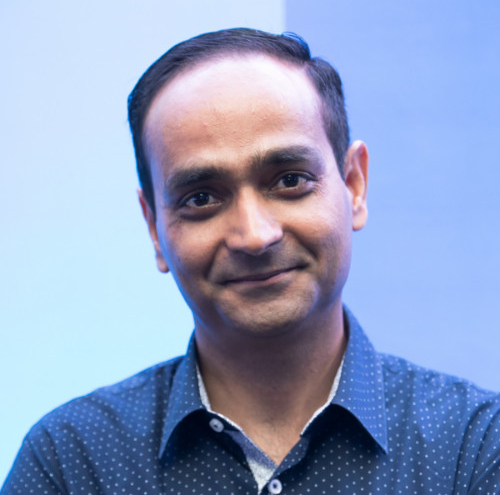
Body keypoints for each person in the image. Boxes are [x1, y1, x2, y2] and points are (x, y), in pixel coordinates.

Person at [2, 28, 500, 495]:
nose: (256, 236)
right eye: (201, 198)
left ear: (354, 186)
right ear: (154, 227)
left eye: (289, 180)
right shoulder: (70, 463)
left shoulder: (474, 448)